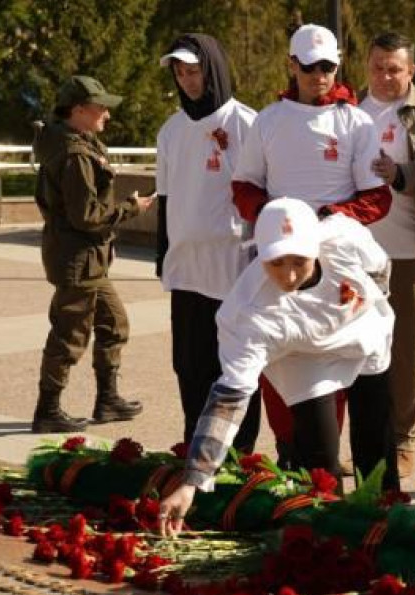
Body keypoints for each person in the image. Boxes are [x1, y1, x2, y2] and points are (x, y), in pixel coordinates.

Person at [158, 197, 398, 535]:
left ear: (316, 247)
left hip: (361, 334)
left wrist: (376, 296)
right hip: (303, 360)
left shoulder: (345, 237)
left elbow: (380, 266)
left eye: (300, 260)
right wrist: (193, 480)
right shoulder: (246, 313)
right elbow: (228, 400)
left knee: (376, 434)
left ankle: (388, 525)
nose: (289, 274)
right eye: (276, 262)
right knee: (321, 459)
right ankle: (335, 533)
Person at [232, 23, 391, 468]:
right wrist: (275, 220)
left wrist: (328, 219)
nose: (319, 75)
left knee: (345, 353)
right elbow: (244, 186)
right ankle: (293, 453)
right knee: (280, 351)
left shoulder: (357, 122)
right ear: (292, 66)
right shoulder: (267, 120)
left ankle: (343, 466)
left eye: (327, 66)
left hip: (338, 258)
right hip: (282, 257)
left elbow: (377, 197)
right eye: (309, 67)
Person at [154, 34, 262, 451]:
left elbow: (262, 195)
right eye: (180, 73)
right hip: (186, 270)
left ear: (212, 69)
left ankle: (240, 453)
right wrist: (163, 256)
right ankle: (194, 447)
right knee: (188, 365)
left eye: (194, 71)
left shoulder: (247, 123)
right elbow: (166, 199)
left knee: (234, 366)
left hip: (232, 267)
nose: (187, 80)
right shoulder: (171, 130)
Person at [31, 75, 152, 433]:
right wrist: (130, 208)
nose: (107, 115)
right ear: (78, 110)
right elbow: (86, 216)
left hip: (88, 259)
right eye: (101, 108)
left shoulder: (77, 143)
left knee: (114, 324)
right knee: (69, 336)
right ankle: (47, 410)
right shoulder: (74, 155)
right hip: (78, 260)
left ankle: (107, 401)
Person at [358, 32, 415, 478]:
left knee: (407, 358)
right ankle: (369, 444)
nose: (385, 76)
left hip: (410, 252)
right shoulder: (348, 110)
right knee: (359, 352)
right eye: (378, 67)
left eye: (394, 69)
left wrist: (399, 174)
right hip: (357, 254)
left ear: (411, 70)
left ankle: (403, 440)